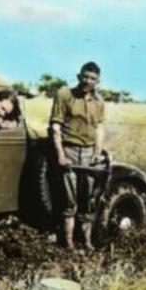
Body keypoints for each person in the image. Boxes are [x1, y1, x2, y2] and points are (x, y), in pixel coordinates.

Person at [49, 62, 105, 252]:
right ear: (78, 76)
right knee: (69, 200)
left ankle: (87, 242)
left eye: (92, 78)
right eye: (85, 76)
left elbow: (99, 129)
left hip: (88, 153)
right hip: (69, 150)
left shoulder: (99, 102)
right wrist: (60, 155)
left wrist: (97, 154)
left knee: (88, 199)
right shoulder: (65, 94)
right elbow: (55, 127)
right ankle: (69, 244)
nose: (87, 81)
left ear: (98, 81)